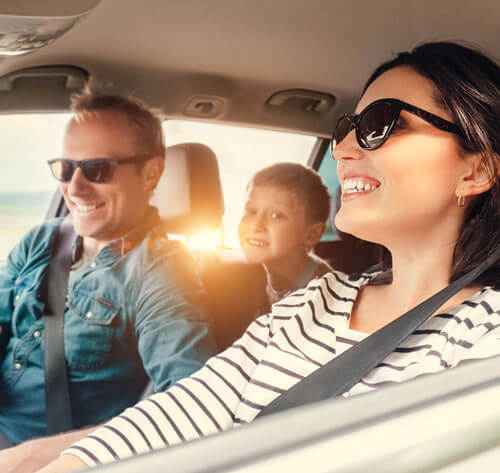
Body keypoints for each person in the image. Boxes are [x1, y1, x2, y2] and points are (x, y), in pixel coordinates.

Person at [36, 40, 500, 472]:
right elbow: (186, 411)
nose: (342, 148)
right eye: (346, 128)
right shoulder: (316, 301)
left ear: (476, 169)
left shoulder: (483, 336)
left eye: (380, 125)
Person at [0, 94, 217, 452]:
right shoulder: (41, 239)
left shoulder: (160, 273)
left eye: (98, 170)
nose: (74, 187)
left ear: (151, 173)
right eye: (66, 168)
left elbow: (190, 405)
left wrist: (32, 457)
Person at [238, 162, 332, 309]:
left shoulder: (324, 296)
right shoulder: (250, 279)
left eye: (276, 215)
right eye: (251, 211)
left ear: (312, 234)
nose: (256, 225)